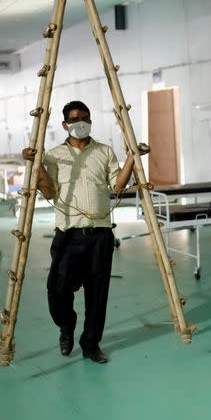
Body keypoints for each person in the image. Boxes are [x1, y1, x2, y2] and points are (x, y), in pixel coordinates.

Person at [24, 100, 138, 364]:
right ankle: (67, 326)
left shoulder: (104, 152)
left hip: (100, 235)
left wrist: (132, 157)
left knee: (98, 294)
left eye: (85, 118)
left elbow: (118, 185)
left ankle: (91, 344)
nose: (80, 123)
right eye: (74, 119)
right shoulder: (54, 155)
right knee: (58, 289)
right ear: (65, 125)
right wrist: (36, 164)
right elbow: (50, 191)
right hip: (69, 235)